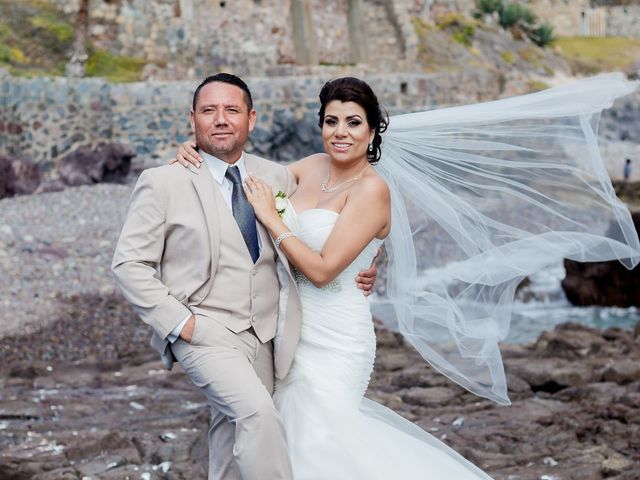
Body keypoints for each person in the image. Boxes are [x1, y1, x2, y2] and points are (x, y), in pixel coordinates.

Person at [175, 73, 640, 477]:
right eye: (331, 121)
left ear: (373, 130)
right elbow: (239, 172)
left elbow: (320, 271)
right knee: (284, 437)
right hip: (288, 332)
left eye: (353, 122)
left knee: (318, 437)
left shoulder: (373, 190)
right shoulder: (308, 169)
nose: (340, 133)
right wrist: (194, 148)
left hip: (337, 336)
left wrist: (275, 221)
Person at [111, 73, 377, 480]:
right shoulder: (163, 182)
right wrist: (182, 324)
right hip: (204, 330)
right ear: (193, 120)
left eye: (231, 110)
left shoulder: (279, 177)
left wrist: (370, 264)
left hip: (271, 336)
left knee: (231, 431)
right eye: (208, 111)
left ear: (251, 119)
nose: (220, 120)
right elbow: (129, 265)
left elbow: (357, 218)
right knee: (257, 414)